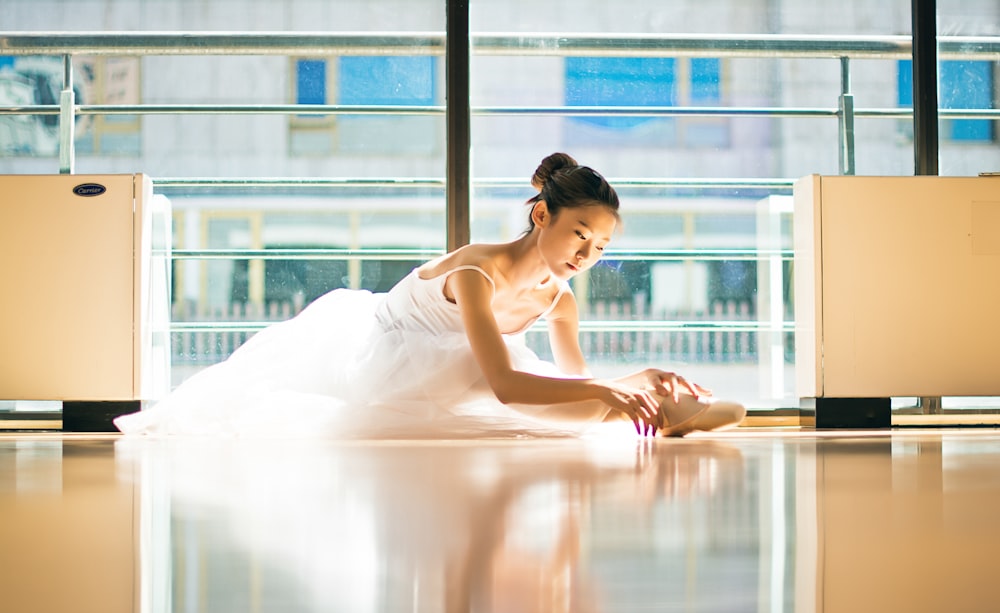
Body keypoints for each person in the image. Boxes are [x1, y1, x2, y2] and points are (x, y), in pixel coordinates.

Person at [115, 153, 744, 439]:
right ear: (542, 217)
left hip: (465, 363)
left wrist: (627, 379)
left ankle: (658, 406)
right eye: (581, 234)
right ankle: (660, 412)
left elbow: (574, 376)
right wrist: (612, 390)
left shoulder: (561, 299)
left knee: (576, 401)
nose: (587, 255)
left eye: (601, 248)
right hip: (390, 354)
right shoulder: (479, 273)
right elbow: (504, 382)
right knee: (501, 371)